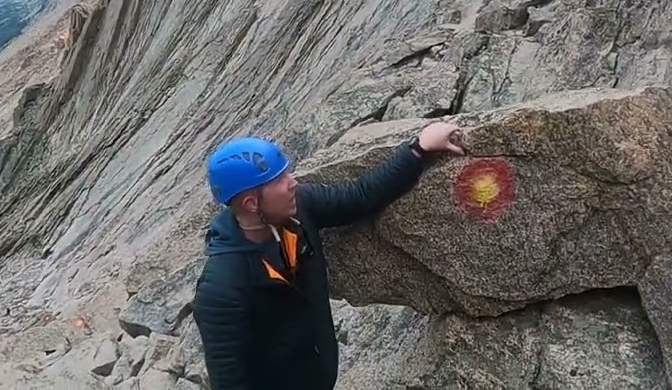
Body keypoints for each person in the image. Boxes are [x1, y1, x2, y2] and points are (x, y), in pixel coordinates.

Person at [190, 122, 466, 390]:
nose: (292, 183)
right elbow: (229, 381)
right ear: (251, 203)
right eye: (279, 180)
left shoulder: (298, 210)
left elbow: (359, 196)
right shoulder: (222, 288)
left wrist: (418, 149)